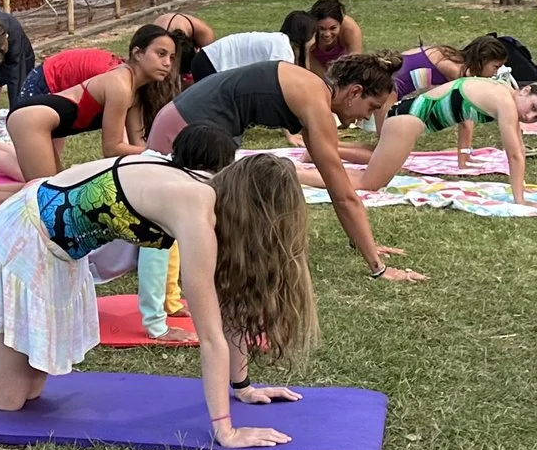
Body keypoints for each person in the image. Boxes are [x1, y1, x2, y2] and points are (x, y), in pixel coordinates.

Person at [0, 129, 314, 448]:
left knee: (30, 386)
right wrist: (225, 431)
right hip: (23, 239)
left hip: (53, 248)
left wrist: (243, 387)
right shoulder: (195, 207)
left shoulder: (205, 189)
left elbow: (227, 304)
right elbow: (209, 332)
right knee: (7, 396)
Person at [147, 54, 424, 281]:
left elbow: (336, 185)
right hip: (183, 128)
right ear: (354, 92)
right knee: (182, 215)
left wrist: (364, 243)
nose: (366, 116)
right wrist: (379, 267)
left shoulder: (312, 91)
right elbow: (342, 194)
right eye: (371, 106)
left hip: (182, 120)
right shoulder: (316, 104)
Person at [329, 44, 537, 194]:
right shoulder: (505, 103)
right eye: (534, 107)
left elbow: (469, 122)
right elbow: (515, 154)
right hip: (405, 120)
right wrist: (520, 199)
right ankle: (304, 172)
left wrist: (464, 157)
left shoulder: (500, 91)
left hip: (405, 116)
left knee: (372, 172)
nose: (529, 116)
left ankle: (324, 155)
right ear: (525, 90)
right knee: (368, 183)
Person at [0, 27, 183, 184]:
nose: (167, 63)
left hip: (44, 117)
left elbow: (138, 145)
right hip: (30, 118)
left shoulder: (135, 93)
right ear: (137, 53)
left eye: (172, 57)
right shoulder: (120, 85)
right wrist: (164, 156)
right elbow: (113, 148)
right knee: (46, 193)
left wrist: (163, 157)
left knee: (57, 187)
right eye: (161, 54)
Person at [303, 0, 363, 73]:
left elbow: (355, 65)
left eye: (333, 28)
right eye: (322, 28)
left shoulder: (350, 30)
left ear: (340, 24)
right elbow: (303, 64)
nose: (327, 34)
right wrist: (326, 80)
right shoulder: (307, 29)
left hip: (341, 69)